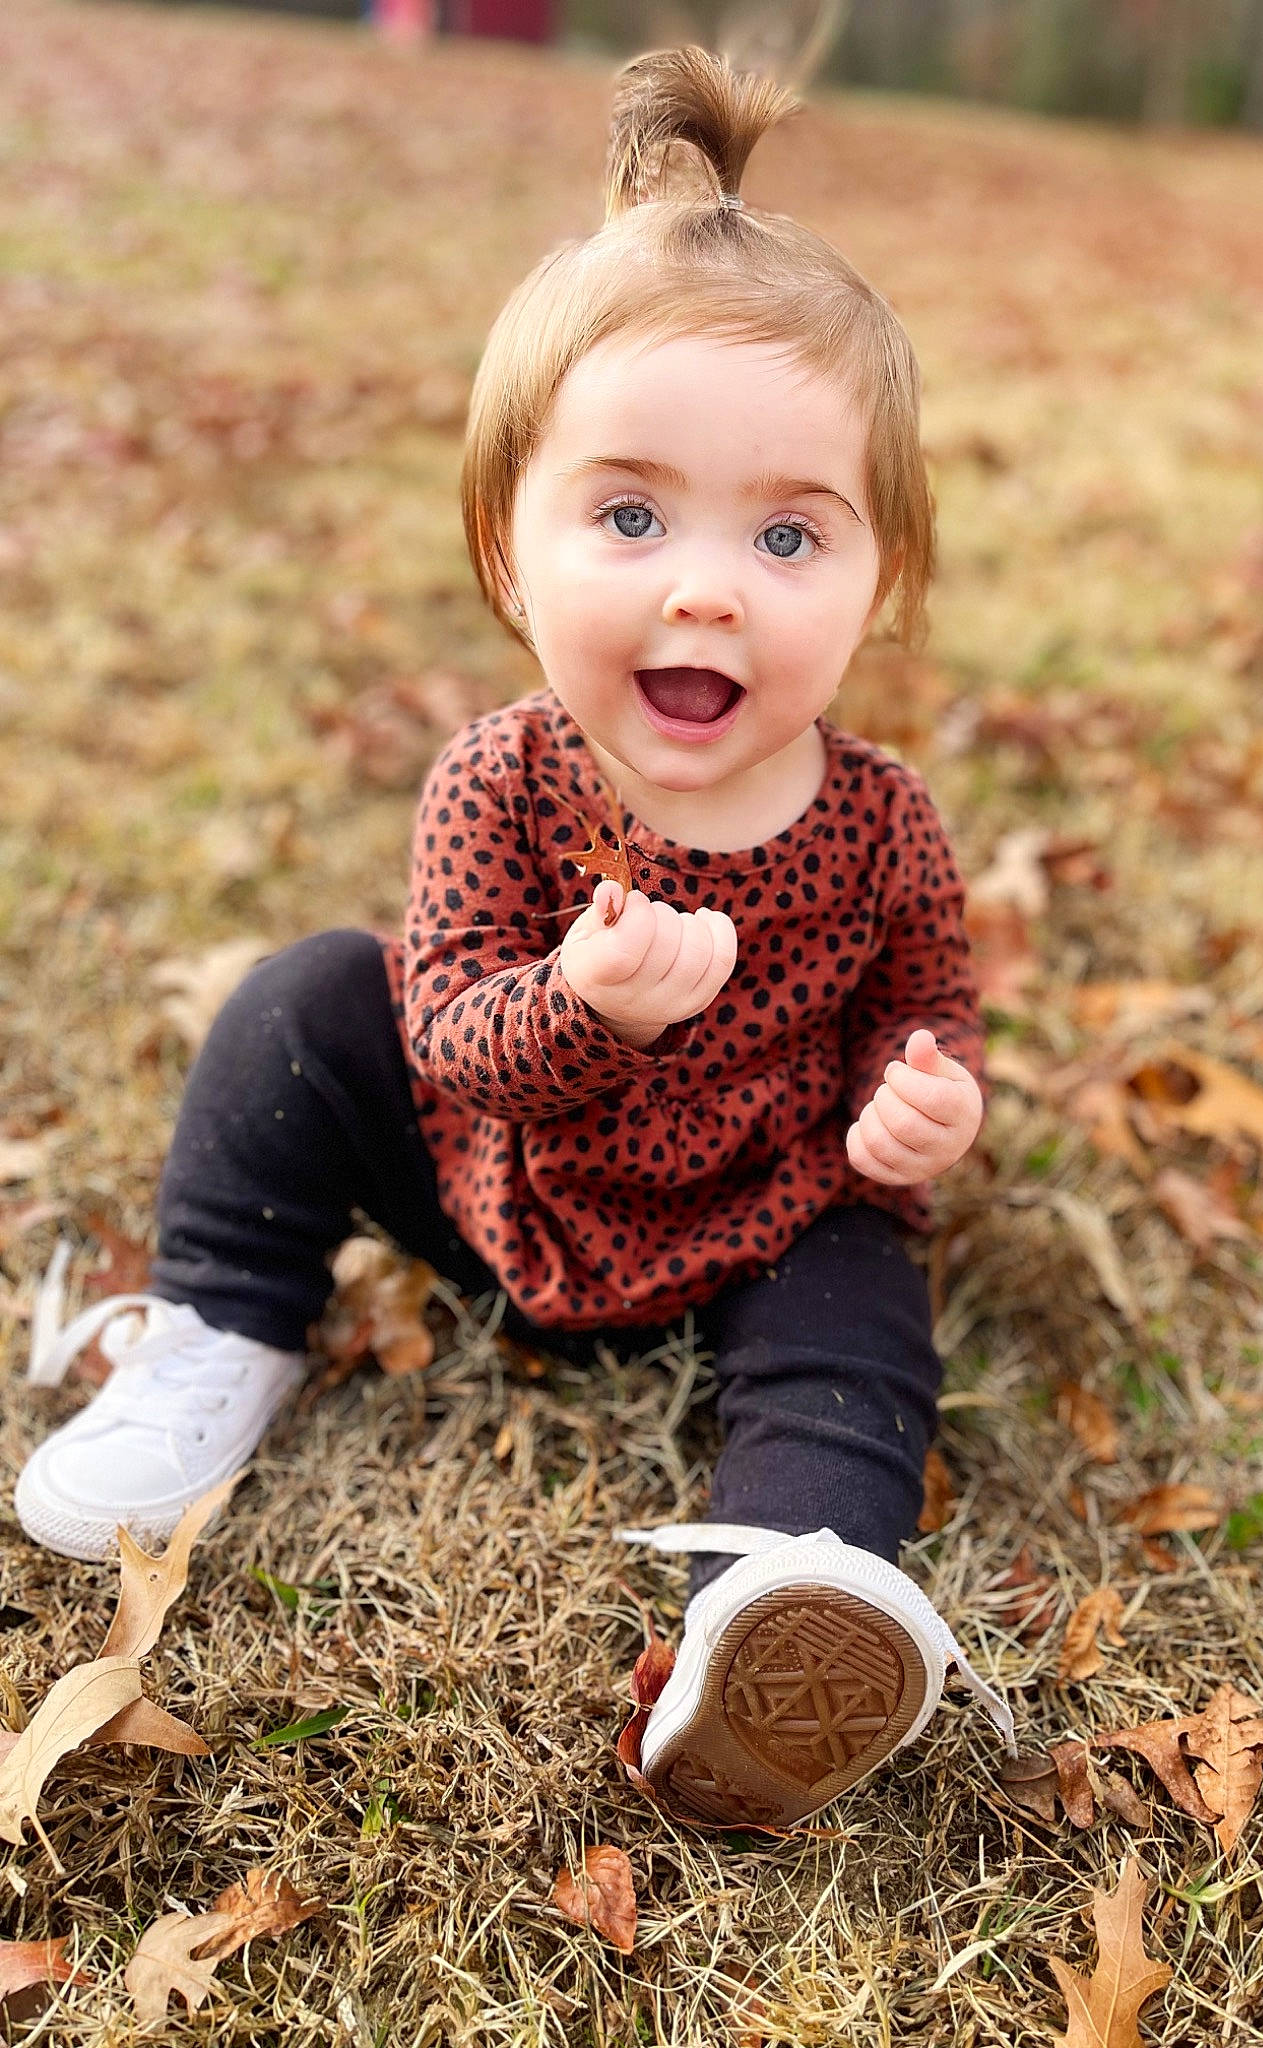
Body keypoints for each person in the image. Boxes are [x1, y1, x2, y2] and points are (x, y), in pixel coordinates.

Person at [14, 47, 1016, 1826]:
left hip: (755, 1226)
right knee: (303, 1003)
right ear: (507, 550)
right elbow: (442, 1036)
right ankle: (223, 1336)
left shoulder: (882, 823)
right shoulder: (501, 777)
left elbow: (922, 1007)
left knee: (865, 1308)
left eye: (790, 533)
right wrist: (579, 1006)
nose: (704, 581)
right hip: (496, 1192)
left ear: (885, 584)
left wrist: (918, 1101)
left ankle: (786, 1605)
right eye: (630, 515)